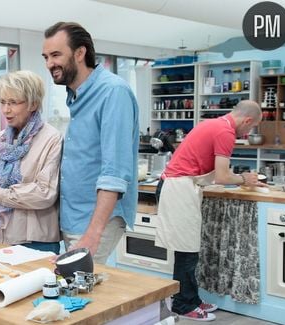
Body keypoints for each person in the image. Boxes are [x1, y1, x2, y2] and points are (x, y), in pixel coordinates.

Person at [155, 100, 264, 321]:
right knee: (187, 252)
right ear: (247, 120)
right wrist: (245, 178)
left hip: (179, 185)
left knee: (189, 251)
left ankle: (191, 298)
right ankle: (182, 305)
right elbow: (223, 176)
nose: (248, 132)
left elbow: (211, 169)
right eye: (251, 128)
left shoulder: (213, 124)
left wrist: (238, 179)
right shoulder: (226, 132)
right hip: (179, 188)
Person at [42, 22, 139, 263]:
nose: (49, 64)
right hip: (73, 218)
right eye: (46, 57)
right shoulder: (75, 96)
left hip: (94, 221)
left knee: (81, 293)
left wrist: (93, 235)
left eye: (56, 55)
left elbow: (114, 172)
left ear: (80, 52)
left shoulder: (112, 92)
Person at [0, 70, 62, 254]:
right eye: (2, 102)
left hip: (36, 243)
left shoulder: (51, 139)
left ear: (33, 104)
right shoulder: (0, 140)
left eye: (13, 103)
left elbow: (44, 193)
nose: (5, 110)